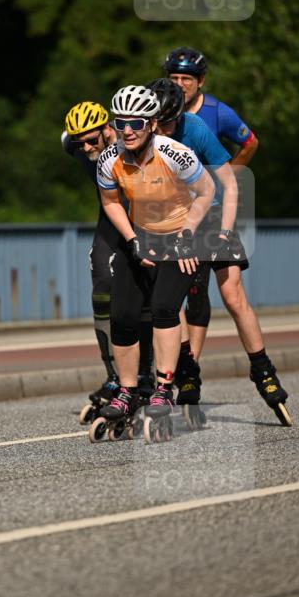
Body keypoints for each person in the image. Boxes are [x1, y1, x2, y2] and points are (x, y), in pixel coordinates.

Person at [148, 78, 291, 424]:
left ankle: (263, 369)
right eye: (157, 122)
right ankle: (188, 368)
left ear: (179, 116)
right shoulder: (146, 135)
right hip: (175, 222)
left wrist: (226, 233)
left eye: (168, 123)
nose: (162, 129)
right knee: (172, 298)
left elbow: (228, 184)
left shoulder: (195, 129)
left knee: (233, 294)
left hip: (211, 216)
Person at [95, 85, 215, 425]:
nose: (127, 130)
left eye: (135, 122)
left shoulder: (175, 153)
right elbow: (110, 202)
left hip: (182, 236)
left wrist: (188, 234)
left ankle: (164, 387)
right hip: (141, 235)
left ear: (150, 123)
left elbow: (207, 192)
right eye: (120, 123)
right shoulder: (110, 159)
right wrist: (132, 238)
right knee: (122, 315)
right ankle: (128, 391)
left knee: (163, 307)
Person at [163, 46, 258, 357]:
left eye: (186, 79)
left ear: (200, 80)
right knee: (173, 291)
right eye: (174, 77)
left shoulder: (217, 113)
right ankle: (179, 365)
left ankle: (192, 364)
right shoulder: (160, 110)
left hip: (211, 210)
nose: (179, 84)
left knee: (202, 293)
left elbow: (250, 141)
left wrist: (227, 173)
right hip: (173, 212)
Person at [62, 102, 155, 415]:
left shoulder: (129, 141)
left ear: (108, 129)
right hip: (111, 215)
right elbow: (69, 139)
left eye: (92, 140)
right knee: (102, 290)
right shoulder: (73, 144)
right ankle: (114, 376)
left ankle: (145, 375)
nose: (86, 147)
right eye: (80, 143)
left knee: (142, 296)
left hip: (145, 218)